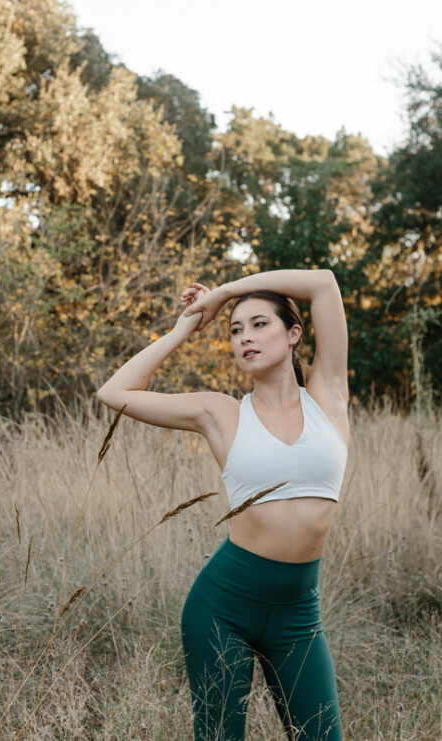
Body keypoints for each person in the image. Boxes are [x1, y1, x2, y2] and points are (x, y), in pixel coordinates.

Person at [97, 269, 349, 740]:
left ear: (294, 334)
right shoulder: (221, 413)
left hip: (298, 612)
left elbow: (323, 284)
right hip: (222, 606)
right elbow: (114, 393)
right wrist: (184, 327)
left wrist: (229, 291)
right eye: (234, 330)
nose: (244, 338)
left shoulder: (328, 397)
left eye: (258, 324)